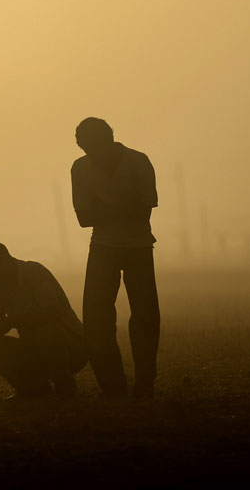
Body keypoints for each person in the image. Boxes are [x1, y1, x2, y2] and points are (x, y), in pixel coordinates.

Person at [71, 117, 160, 399]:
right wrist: (124, 208)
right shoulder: (81, 167)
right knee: (97, 319)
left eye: (94, 146)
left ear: (109, 138)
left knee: (144, 317)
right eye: (86, 148)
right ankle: (113, 387)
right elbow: (84, 219)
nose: (92, 154)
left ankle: (144, 385)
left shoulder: (138, 162)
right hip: (105, 247)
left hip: (136, 247)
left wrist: (102, 211)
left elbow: (142, 213)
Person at [0, 241, 87, 400]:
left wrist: (11, 321)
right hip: (34, 346)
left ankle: (64, 384)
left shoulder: (33, 272)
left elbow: (53, 312)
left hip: (71, 345)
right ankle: (32, 387)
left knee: (46, 331)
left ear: (4, 262)